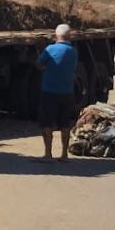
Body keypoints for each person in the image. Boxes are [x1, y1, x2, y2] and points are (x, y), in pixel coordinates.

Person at [36, 24, 78, 161]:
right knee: (65, 124)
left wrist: (46, 68)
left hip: (50, 91)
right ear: (69, 36)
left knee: (47, 123)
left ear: (56, 35)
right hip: (67, 92)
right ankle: (64, 154)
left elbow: (39, 63)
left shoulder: (50, 49)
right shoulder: (73, 51)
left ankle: (48, 154)